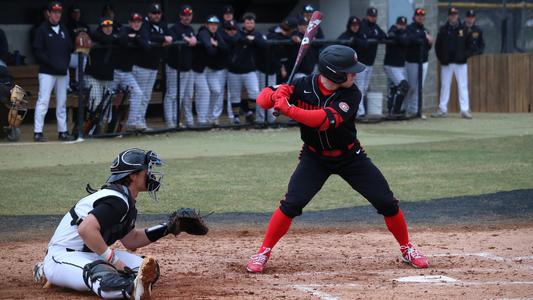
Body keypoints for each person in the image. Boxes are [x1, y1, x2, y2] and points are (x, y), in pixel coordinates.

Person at [246, 45, 429, 274]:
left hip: (350, 157)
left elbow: (323, 120)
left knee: (386, 202)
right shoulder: (302, 85)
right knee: (291, 204)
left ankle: (407, 248)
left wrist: (289, 109)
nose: (355, 74)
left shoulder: (351, 93)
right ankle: (263, 251)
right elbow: (262, 100)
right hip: (314, 157)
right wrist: (276, 94)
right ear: (334, 73)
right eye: (350, 71)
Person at [32, 148, 167, 299]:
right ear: (133, 175)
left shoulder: (123, 200)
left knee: (146, 269)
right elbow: (86, 229)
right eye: (147, 171)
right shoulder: (117, 200)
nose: (151, 175)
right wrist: (116, 262)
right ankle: (131, 290)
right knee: (100, 274)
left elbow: (131, 240)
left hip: (90, 254)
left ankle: (60, 276)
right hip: (63, 255)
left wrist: (168, 227)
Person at [32, 1, 74, 142]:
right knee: (43, 101)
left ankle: (63, 132)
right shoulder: (42, 30)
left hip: (62, 72)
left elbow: (69, 49)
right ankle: (38, 132)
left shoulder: (63, 30)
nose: (56, 14)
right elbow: (38, 52)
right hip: (47, 72)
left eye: (59, 12)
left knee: (62, 103)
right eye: (54, 12)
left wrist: (64, 65)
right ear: (48, 13)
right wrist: (53, 64)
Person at [134, 2, 173, 130]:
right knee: (139, 94)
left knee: (146, 95)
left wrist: (166, 39)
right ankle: (135, 121)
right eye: (154, 13)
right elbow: (147, 37)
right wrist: (162, 39)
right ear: (149, 14)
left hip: (154, 65)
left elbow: (170, 36)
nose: (156, 16)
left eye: (158, 13)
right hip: (142, 65)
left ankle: (141, 121)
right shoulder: (144, 23)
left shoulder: (162, 24)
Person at [226, 12, 266, 125]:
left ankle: (250, 113)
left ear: (254, 23)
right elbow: (233, 40)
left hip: (250, 70)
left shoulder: (257, 34)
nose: (249, 24)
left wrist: (253, 39)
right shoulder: (237, 32)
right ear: (244, 23)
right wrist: (246, 38)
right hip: (234, 71)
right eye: (247, 22)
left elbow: (264, 45)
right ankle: (236, 117)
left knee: (254, 93)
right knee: (234, 95)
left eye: (251, 22)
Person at [433, 7, 472, 119]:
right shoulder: (443, 30)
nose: (453, 16)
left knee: (463, 86)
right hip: (447, 63)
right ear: (448, 16)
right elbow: (437, 46)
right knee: (445, 86)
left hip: (461, 63)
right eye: (451, 14)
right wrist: (442, 59)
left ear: (458, 16)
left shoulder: (464, 29)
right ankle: (442, 109)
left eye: (455, 14)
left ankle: (464, 110)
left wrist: (465, 55)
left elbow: (470, 45)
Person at [114, 12, 150, 132]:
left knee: (138, 93)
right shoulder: (124, 29)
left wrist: (135, 37)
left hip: (126, 73)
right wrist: (134, 37)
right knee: (108, 98)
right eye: (134, 21)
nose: (136, 24)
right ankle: (103, 123)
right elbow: (121, 40)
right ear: (130, 22)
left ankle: (131, 123)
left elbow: (147, 47)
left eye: (138, 21)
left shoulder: (141, 32)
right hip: (114, 71)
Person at [165, 4, 196, 128]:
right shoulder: (174, 28)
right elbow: (172, 40)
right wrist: (187, 40)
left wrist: (192, 38)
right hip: (174, 67)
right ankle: (170, 121)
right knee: (172, 95)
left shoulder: (190, 29)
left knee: (183, 96)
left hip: (187, 68)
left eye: (189, 15)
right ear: (180, 16)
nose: (186, 17)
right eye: (184, 15)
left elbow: (193, 39)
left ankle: (177, 120)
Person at [192, 15, 225, 126]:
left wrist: (216, 44)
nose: (213, 26)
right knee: (204, 92)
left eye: (215, 24)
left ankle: (210, 117)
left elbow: (226, 48)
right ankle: (202, 120)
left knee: (216, 90)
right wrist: (216, 47)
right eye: (211, 24)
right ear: (207, 25)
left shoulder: (216, 34)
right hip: (198, 69)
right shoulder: (203, 32)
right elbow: (210, 50)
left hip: (209, 69)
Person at [355, 7, 387, 117]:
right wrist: (374, 37)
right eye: (371, 16)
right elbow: (364, 39)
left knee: (363, 88)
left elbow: (384, 35)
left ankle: (359, 111)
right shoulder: (362, 25)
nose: (373, 18)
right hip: (360, 63)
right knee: (360, 88)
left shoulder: (375, 27)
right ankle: (360, 112)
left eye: (374, 16)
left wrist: (374, 36)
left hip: (370, 63)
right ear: (367, 16)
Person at [84, 17, 118, 115]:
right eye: (105, 26)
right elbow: (103, 38)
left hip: (108, 78)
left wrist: (115, 37)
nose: (108, 28)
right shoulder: (95, 36)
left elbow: (123, 38)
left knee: (107, 107)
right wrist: (115, 38)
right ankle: (92, 130)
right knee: (95, 105)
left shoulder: (116, 36)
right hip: (93, 77)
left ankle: (105, 130)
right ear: (101, 27)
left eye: (110, 26)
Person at [404, 8, 433, 118]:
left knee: (419, 87)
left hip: (424, 61)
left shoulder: (425, 29)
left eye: (422, 16)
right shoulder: (410, 28)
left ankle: (415, 110)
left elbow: (429, 45)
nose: (420, 17)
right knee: (411, 86)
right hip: (412, 62)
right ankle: (406, 108)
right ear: (414, 17)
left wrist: (429, 40)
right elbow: (411, 39)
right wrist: (425, 37)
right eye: (418, 15)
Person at [383, 16, 410, 116]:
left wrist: (398, 36)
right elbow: (389, 36)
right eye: (400, 24)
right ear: (396, 23)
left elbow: (406, 41)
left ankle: (392, 110)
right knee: (404, 86)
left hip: (400, 65)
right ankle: (396, 110)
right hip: (390, 65)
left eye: (403, 25)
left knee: (393, 87)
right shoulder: (392, 29)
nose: (401, 27)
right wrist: (399, 35)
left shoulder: (405, 32)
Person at [66, 4, 90, 91]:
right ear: (71, 14)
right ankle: (66, 87)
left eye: (78, 12)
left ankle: (78, 83)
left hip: (80, 54)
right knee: (63, 61)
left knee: (84, 59)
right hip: (70, 54)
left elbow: (90, 39)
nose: (76, 14)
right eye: (74, 12)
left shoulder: (85, 25)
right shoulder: (67, 26)